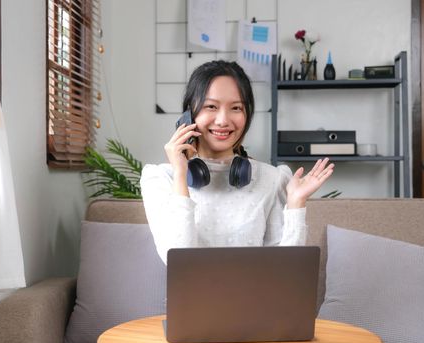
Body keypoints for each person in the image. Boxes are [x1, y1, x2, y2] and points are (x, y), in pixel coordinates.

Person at [140, 60, 334, 264]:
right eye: (211, 106)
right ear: (189, 115)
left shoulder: (272, 179)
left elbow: (286, 271)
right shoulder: (161, 178)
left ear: (247, 114)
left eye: (235, 108)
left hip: (259, 296)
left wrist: (295, 203)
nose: (223, 120)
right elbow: (179, 263)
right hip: (193, 297)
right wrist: (181, 174)